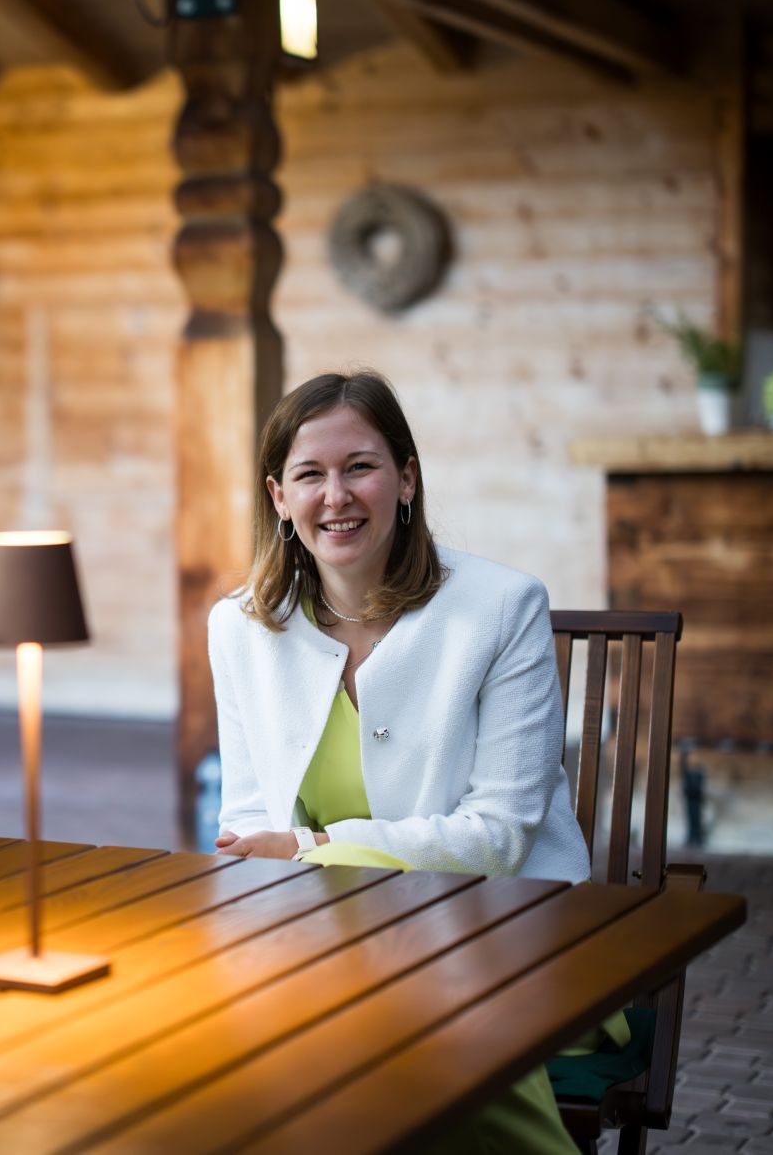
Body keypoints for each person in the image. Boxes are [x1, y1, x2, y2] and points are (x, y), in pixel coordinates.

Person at [207, 369, 593, 1152]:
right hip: (325, 941)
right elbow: (248, 821)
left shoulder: (502, 606)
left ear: (406, 479)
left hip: (511, 931)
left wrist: (318, 848)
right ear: (279, 497)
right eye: (310, 474)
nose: (337, 495)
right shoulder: (240, 627)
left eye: (360, 466)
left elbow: (499, 837)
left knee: (402, 1034)